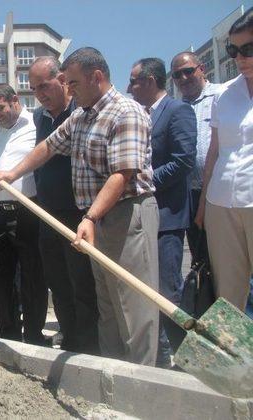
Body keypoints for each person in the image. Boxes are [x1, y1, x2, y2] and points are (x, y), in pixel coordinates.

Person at [0, 47, 159, 366]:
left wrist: (91, 217)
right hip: (96, 217)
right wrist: (12, 174)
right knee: (107, 304)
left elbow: (122, 174)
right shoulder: (83, 116)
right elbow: (48, 147)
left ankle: (142, 382)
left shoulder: (127, 112)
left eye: (74, 83)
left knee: (133, 305)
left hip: (126, 214)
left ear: (96, 77)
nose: (69, 90)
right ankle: (111, 374)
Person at [128, 57, 197, 366]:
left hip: (167, 217)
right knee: (145, 294)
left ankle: (188, 363)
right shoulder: (138, 115)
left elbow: (184, 160)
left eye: (134, 82)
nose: (129, 88)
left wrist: (144, 179)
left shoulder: (177, 111)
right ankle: (158, 359)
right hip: (141, 217)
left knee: (168, 294)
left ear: (152, 81)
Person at [28, 56, 99, 354]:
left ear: (62, 80)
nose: (40, 94)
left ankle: (89, 346)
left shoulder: (81, 112)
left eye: (44, 86)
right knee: (57, 283)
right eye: (34, 89)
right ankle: (69, 339)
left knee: (81, 283)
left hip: (77, 213)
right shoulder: (40, 117)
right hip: (48, 212)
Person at [196, 9, 253, 310]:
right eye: (233, 50)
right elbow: (214, 151)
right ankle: (237, 358)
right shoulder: (224, 94)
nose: (240, 58)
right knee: (229, 296)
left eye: (248, 49)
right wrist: (204, 201)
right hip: (222, 201)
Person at [0, 83, 46, 345]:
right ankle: (8, 332)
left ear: (14, 100)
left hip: (28, 211)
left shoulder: (36, 127)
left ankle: (33, 334)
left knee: (32, 275)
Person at [170, 52, 224, 264]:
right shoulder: (175, 108)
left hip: (222, 190)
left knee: (233, 256)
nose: (183, 78)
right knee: (203, 259)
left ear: (202, 69)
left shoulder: (222, 95)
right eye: (177, 75)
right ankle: (212, 297)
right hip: (190, 195)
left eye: (188, 71)